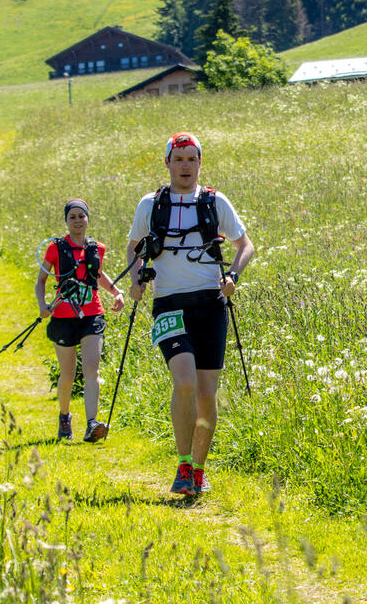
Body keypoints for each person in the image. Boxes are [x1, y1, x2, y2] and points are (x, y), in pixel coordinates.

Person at [127, 132, 254, 496]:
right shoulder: (151, 204)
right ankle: (183, 464)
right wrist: (137, 279)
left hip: (211, 304)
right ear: (166, 163)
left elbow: (245, 245)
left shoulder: (215, 202)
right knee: (183, 381)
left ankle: (198, 469)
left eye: (192, 159)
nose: (186, 166)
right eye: (179, 159)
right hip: (169, 302)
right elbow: (134, 247)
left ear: (200, 162)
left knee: (205, 392)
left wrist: (233, 276)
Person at [36, 199, 126, 442]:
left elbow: (97, 274)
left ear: (88, 219)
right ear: (66, 221)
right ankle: (64, 416)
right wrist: (42, 305)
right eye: (72, 217)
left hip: (92, 315)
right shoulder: (55, 248)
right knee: (67, 374)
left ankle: (91, 423)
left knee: (91, 369)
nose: (77, 221)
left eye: (81, 216)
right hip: (63, 316)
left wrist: (116, 292)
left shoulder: (97, 248)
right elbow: (41, 281)